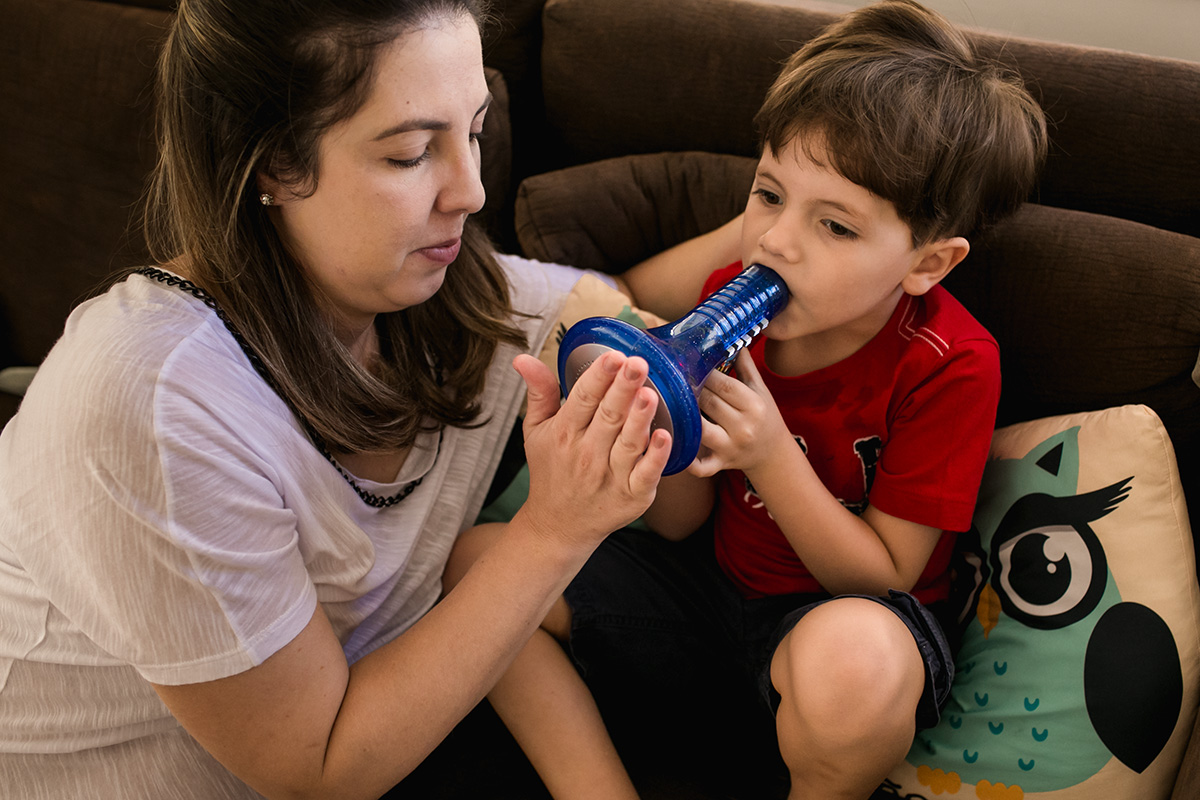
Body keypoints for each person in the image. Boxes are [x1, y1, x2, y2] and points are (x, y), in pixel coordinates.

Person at [0, 1, 672, 798]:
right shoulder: (157, 404)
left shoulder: (421, 290)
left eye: (475, 132)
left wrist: (750, 267)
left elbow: (600, 306)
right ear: (273, 163)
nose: (471, 191)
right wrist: (554, 530)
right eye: (411, 154)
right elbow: (320, 769)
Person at [445, 1, 1048, 798]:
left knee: (856, 663)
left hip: (835, 626)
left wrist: (769, 457)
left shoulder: (950, 364)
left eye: (835, 227)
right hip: (704, 600)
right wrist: (655, 426)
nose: (774, 241)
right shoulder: (723, 299)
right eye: (768, 194)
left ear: (926, 264)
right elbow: (679, 524)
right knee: (480, 566)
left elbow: (886, 578)